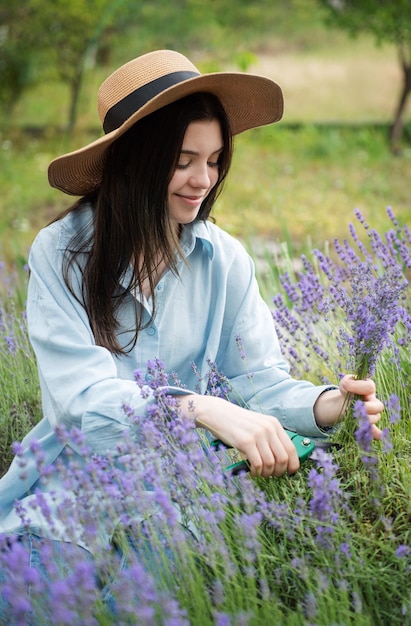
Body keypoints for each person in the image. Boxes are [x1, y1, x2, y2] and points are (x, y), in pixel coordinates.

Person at [0, 49, 383, 612]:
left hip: (171, 494)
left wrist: (332, 405)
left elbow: (259, 383)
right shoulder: (62, 253)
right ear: (136, 160)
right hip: (68, 490)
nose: (203, 180)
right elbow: (81, 404)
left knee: (138, 607)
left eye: (215, 160)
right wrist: (196, 407)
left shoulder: (224, 260)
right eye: (182, 160)